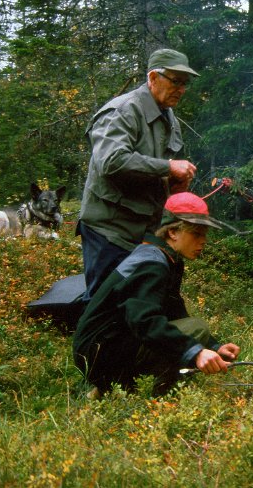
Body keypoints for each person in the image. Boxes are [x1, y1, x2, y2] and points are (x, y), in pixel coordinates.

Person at [73, 192, 240, 397]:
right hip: (99, 355)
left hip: (104, 349)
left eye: (204, 234)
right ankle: (155, 397)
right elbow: (143, 321)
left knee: (193, 328)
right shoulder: (152, 264)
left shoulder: (163, 257)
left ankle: (111, 388)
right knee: (196, 328)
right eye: (197, 234)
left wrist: (214, 347)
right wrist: (195, 352)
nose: (203, 241)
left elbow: (174, 312)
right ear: (173, 232)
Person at [78, 48, 200, 301]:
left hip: (146, 230)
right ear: (153, 78)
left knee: (142, 302)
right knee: (104, 304)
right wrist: (168, 167)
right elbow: (110, 162)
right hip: (110, 230)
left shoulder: (170, 118)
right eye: (175, 81)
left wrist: (174, 184)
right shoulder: (123, 110)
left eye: (185, 83)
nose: (181, 89)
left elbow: (152, 169)